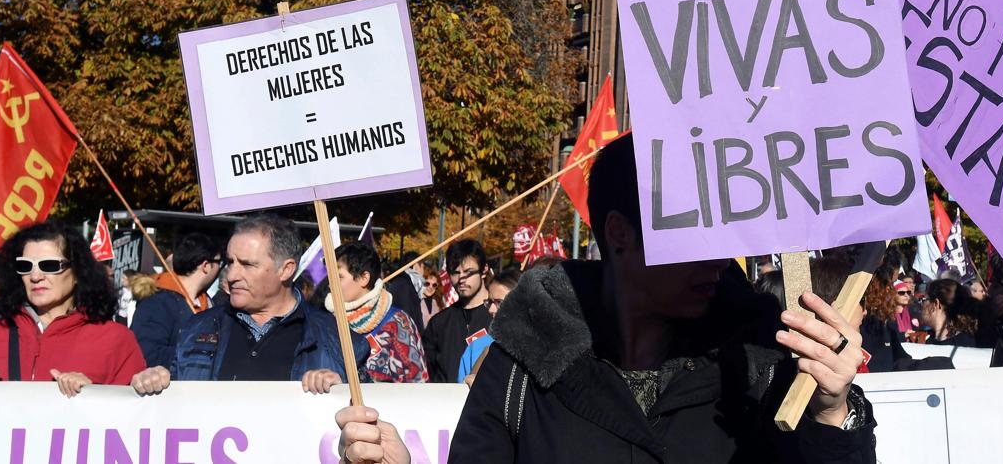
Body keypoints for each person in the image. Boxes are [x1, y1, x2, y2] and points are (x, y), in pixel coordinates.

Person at [336, 133, 875, 463]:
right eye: (693, 232)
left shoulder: (767, 363)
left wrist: (832, 414)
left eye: (724, 231)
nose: (717, 257)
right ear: (620, 232)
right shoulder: (521, 366)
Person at [128, 214, 368, 396]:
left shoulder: (340, 342)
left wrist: (342, 392)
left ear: (286, 269)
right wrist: (156, 380)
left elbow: (375, 413)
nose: (231, 274)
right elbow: (174, 397)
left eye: (247, 265)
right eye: (230, 262)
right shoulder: (197, 328)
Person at [0, 222, 146, 396]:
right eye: (25, 266)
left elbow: (134, 414)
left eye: (49, 265)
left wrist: (94, 394)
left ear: (78, 272)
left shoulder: (115, 339)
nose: (35, 276)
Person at [314, 243, 427, 385]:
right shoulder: (324, 320)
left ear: (364, 278)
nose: (330, 284)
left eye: (339, 276)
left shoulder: (398, 324)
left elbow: (416, 384)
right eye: (329, 276)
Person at [131, 233, 224, 368]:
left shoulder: (207, 303)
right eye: (219, 263)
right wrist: (201, 353)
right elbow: (147, 354)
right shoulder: (157, 302)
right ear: (206, 266)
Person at [421, 239, 492, 383]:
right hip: (445, 403)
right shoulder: (438, 323)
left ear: (484, 270)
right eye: (455, 272)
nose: (461, 279)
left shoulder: (499, 317)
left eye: (468, 272)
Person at [456, 267, 519, 384]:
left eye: (499, 302)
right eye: (489, 302)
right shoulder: (476, 347)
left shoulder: (543, 348)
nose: (491, 309)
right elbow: (462, 395)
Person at [921, 279, 979, 347]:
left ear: (936, 304)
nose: (922, 304)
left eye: (924, 300)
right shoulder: (923, 338)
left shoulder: (961, 347)